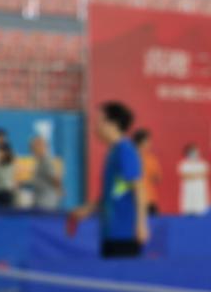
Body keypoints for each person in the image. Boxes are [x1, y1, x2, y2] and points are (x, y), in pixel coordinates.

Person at [73, 102, 148, 258]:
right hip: (110, 232)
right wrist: (89, 208)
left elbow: (139, 187)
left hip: (125, 234)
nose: (95, 127)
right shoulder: (113, 152)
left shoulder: (126, 150)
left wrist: (141, 224)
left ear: (112, 124)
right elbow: (116, 192)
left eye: (99, 121)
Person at [29, 135, 63, 212]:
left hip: (46, 203)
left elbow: (55, 177)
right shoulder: (40, 161)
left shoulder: (46, 161)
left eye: (33, 147)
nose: (32, 150)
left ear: (42, 147)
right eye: (31, 148)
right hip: (40, 200)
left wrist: (59, 190)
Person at [132, 129, 161, 216]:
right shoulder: (150, 160)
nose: (150, 144)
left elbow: (157, 178)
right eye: (148, 141)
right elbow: (157, 179)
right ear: (142, 142)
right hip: (139, 201)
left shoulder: (151, 159)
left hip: (146, 201)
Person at [178, 144, 210, 215]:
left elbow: (206, 174)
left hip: (200, 197)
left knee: (201, 214)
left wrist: (193, 175)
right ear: (187, 153)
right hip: (188, 197)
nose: (194, 154)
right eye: (191, 152)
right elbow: (185, 176)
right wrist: (198, 175)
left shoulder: (203, 164)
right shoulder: (183, 165)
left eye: (195, 151)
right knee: (188, 215)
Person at [0, 144, 17, 209]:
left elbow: (0, 176)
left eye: (1, 152)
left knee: (7, 211)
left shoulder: (10, 165)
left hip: (6, 192)